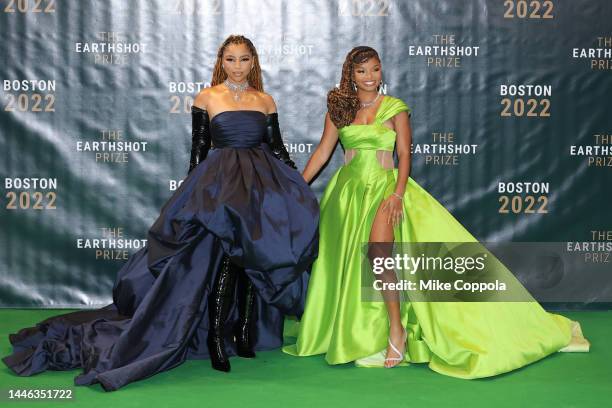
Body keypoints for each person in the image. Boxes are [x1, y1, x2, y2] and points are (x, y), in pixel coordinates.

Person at [3, 34, 319, 391]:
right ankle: (216, 338)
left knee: (252, 261)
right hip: (221, 187)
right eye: (230, 59)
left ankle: (244, 331)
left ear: (253, 62)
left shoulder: (265, 100)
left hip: (260, 186)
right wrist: (193, 194)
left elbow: (276, 149)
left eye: (244, 59)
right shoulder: (207, 97)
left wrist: (297, 184)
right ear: (221, 61)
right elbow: (199, 152)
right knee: (228, 261)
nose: (237, 67)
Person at [283, 45, 589, 377]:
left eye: (375, 69)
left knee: (378, 253)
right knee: (351, 265)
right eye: (362, 71)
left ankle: (396, 332)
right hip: (348, 196)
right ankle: (363, 334)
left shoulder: (395, 108)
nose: (370, 77)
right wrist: (296, 187)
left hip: (386, 191)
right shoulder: (339, 111)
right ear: (351, 75)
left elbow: (404, 154)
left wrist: (397, 194)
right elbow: (322, 153)